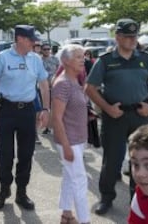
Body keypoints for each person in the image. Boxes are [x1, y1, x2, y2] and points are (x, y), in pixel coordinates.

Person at [85, 18, 148, 215]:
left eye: (134, 36)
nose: (131, 40)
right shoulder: (105, 60)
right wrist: (106, 108)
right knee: (112, 160)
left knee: (141, 160)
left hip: (139, 116)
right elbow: (90, 88)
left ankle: (137, 200)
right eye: (127, 36)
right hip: (115, 117)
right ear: (117, 37)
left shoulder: (145, 59)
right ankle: (106, 197)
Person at [0, 25, 50, 211]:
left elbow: (44, 85)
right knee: (6, 154)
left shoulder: (36, 59)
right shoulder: (2, 57)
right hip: (6, 111)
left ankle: (22, 192)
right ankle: (4, 190)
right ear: (20, 38)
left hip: (28, 111)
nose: (34, 43)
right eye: (31, 39)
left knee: (26, 154)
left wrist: (45, 109)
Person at [52, 44, 90, 224]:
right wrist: (66, 146)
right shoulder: (63, 84)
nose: (83, 59)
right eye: (78, 56)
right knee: (80, 180)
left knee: (69, 177)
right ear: (65, 61)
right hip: (70, 141)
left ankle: (66, 214)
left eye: (83, 56)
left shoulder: (75, 81)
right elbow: (56, 118)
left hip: (78, 139)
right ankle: (85, 220)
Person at [41, 42, 60, 135]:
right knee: (45, 107)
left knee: (55, 107)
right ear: (41, 50)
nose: (47, 51)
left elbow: (59, 71)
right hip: (43, 86)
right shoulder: (39, 60)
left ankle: (54, 126)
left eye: (48, 49)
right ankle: (47, 126)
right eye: (45, 49)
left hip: (55, 85)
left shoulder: (55, 59)